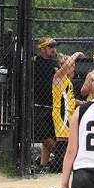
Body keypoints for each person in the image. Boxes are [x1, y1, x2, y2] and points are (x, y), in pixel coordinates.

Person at [50, 51, 85, 173]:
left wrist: (78, 102)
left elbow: (66, 97)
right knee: (63, 139)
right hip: (61, 113)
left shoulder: (68, 81)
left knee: (69, 138)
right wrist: (76, 54)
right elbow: (67, 64)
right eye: (72, 68)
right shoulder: (59, 77)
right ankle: (57, 166)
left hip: (69, 112)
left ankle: (62, 165)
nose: (73, 71)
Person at [34, 37, 59, 170]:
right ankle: (63, 158)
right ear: (42, 49)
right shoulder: (34, 62)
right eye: (50, 47)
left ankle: (43, 165)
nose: (53, 49)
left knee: (49, 135)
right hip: (37, 105)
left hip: (52, 105)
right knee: (44, 136)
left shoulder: (55, 65)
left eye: (54, 46)